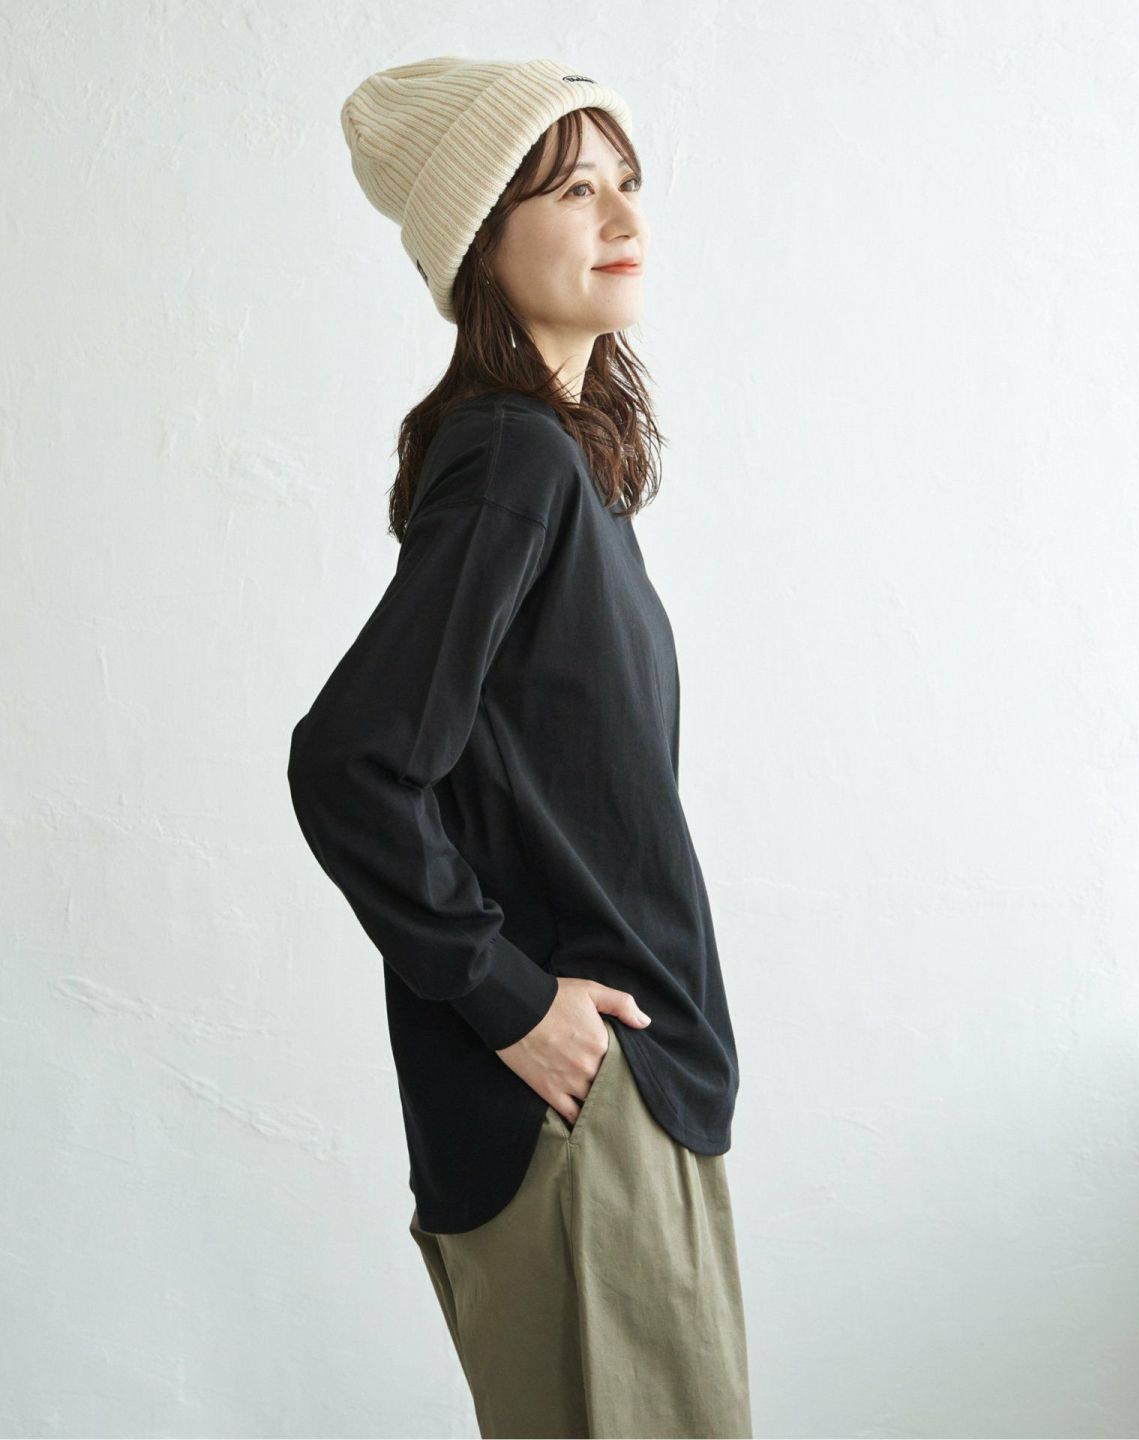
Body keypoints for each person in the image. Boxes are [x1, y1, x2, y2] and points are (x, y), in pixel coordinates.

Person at [287, 56, 752, 1439]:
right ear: (481, 240)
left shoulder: (559, 468)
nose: (623, 216)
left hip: (619, 1105)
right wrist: (510, 999)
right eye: (573, 189)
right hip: (578, 1118)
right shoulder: (513, 459)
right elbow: (351, 762)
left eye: (627, 183)